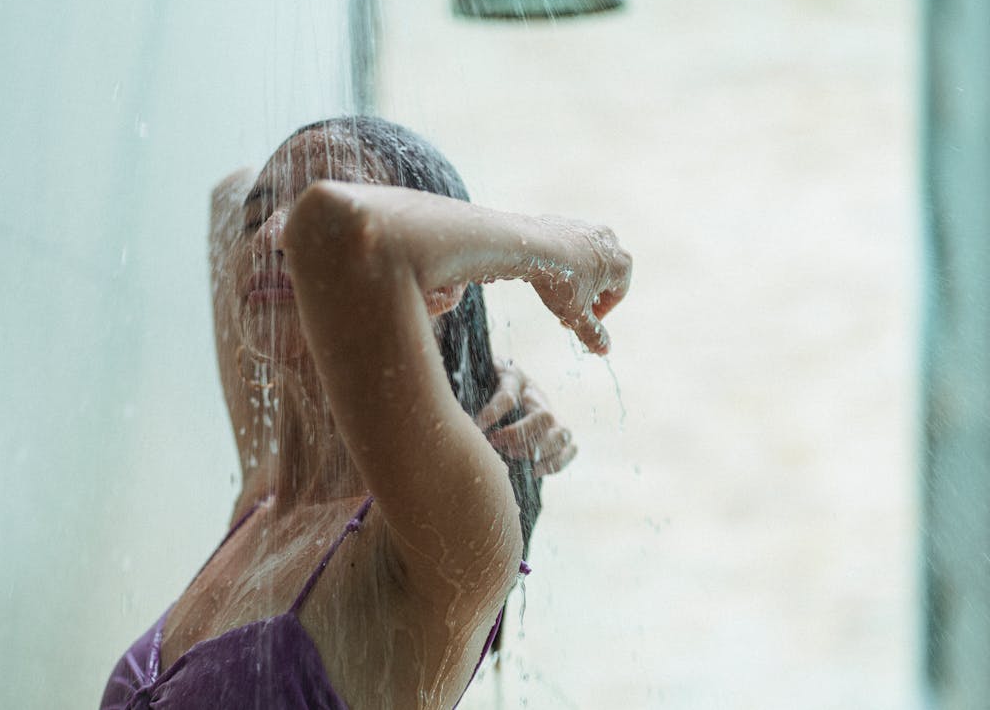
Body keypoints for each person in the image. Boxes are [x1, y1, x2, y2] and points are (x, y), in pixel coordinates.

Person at [100, 117, 632, 709]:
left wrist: (563, 249)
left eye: (305, 218)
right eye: (264, 217)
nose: (273, 235)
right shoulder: (270, 492)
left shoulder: (447, 529)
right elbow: (231, 198)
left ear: (442, 287)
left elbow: (345, 232)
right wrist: (475, 360)